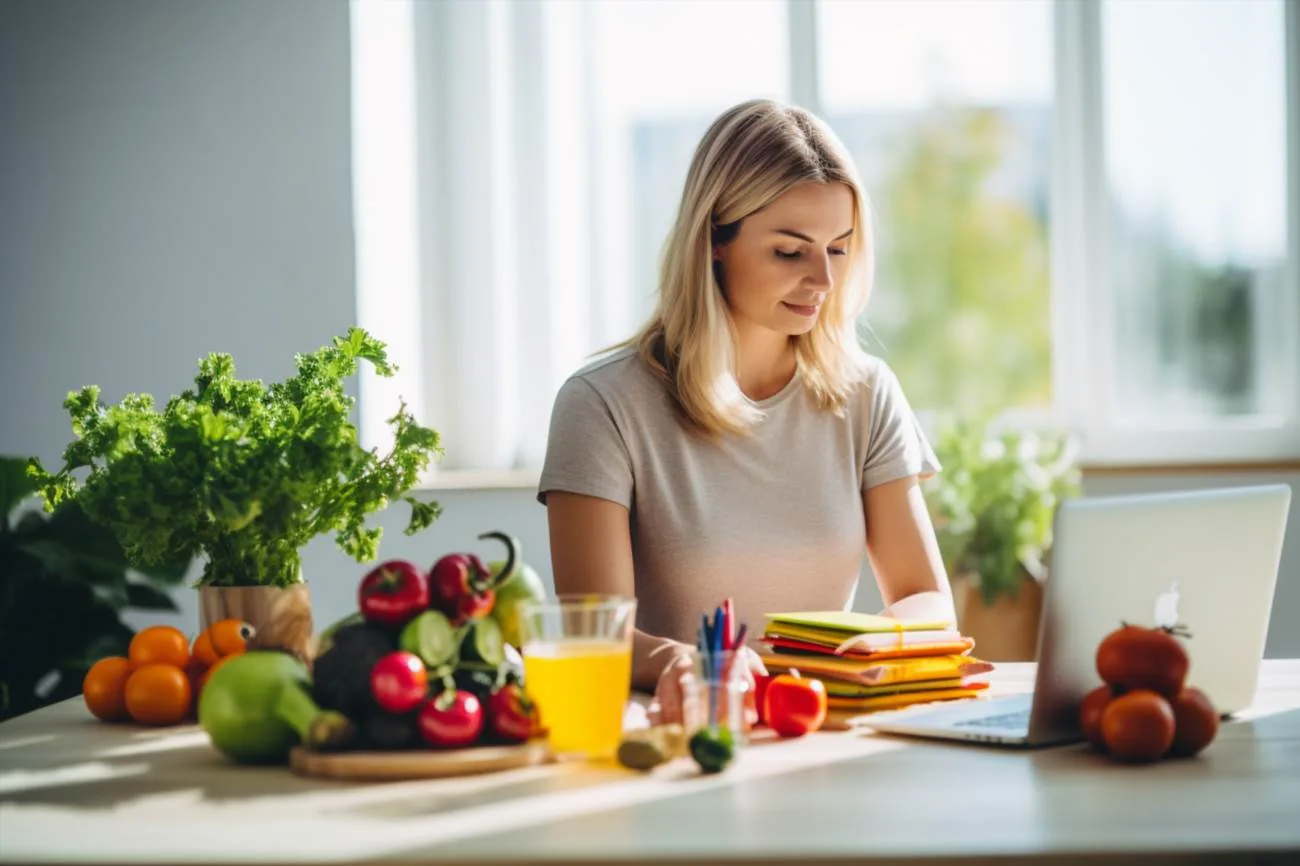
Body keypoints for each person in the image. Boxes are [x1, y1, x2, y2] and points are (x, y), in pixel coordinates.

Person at [537, 98, 955, 725]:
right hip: (677, 742)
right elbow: (598, 631)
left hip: (814, 732)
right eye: (790, 252)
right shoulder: (601, 404)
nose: (823, 280)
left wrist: (845, 652)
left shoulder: (867, 393)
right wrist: (687, 662)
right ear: (714, 242)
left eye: (838, 250)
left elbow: (927, 600)